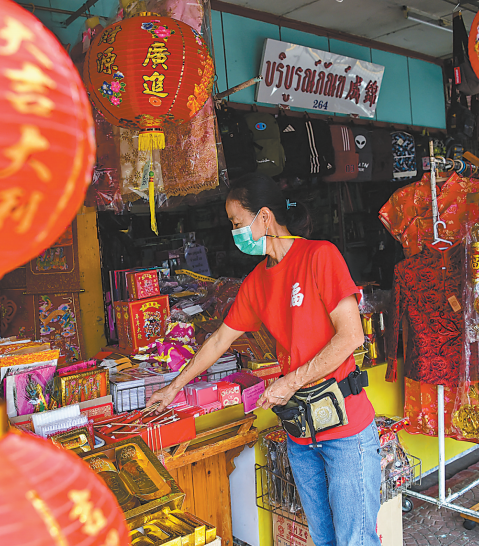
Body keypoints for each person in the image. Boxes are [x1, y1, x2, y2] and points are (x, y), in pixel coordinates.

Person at [147, 173, 381, 546]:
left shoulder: (320, 256)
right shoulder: (256, 281)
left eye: (238, 223)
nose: (235, 233)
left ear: (265, 217)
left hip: (346, 428)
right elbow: (220, 339)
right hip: (300, 433)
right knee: (322, 539)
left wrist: (290, 381)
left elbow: (351, 337)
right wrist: (173, 387)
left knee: (355, 540)